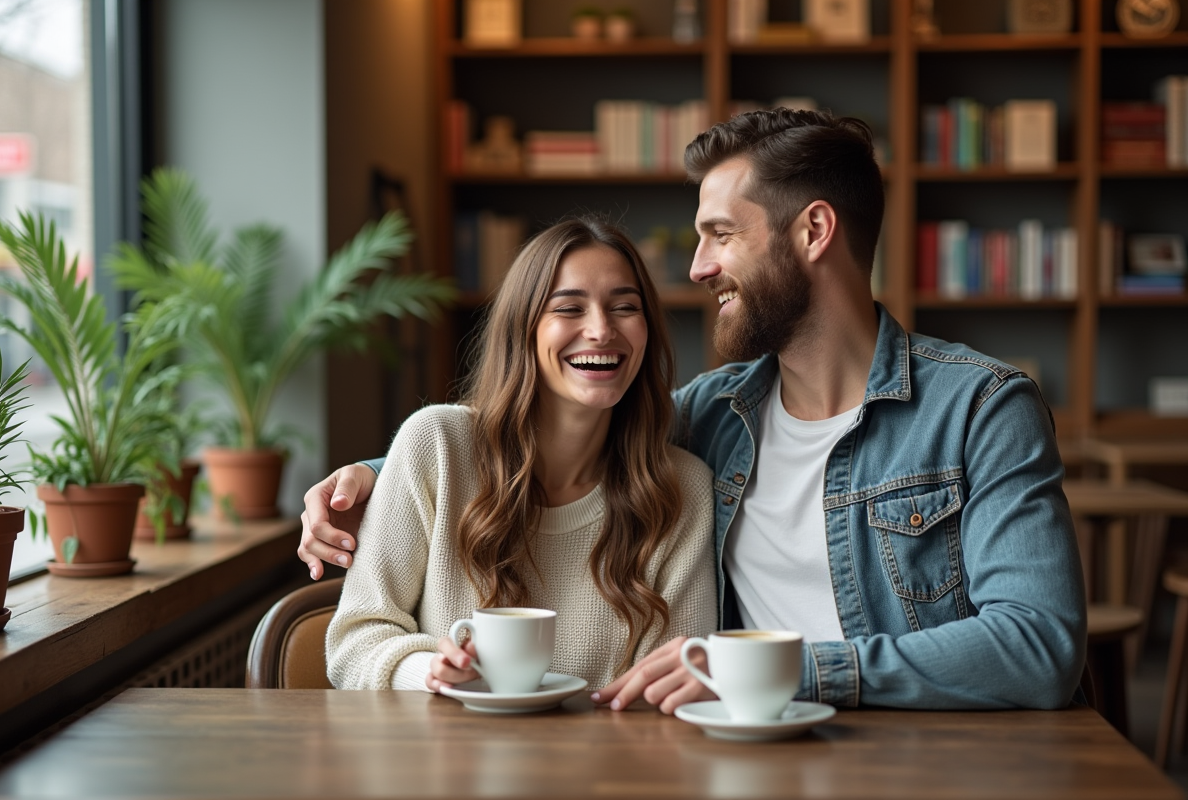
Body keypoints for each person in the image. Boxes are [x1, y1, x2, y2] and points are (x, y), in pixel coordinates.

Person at [305, 109, 1086, 711]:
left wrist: (785, 670)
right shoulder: (716, 415)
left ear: (814, 231)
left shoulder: (981, 408)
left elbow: (1039, 647)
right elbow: (558, 432)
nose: (697, 266)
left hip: (929, 757)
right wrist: (371, 481)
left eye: (719, 235)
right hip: (743, 754)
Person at [324, 217, 716, 693]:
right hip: (446, 757)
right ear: (522, 329)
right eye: (569, 308)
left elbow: (673, 688)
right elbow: (353, 642)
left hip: (609, 763)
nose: (600, 329)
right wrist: (432, 673)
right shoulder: (436, 447)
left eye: (625, 307)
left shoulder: (683, 488)